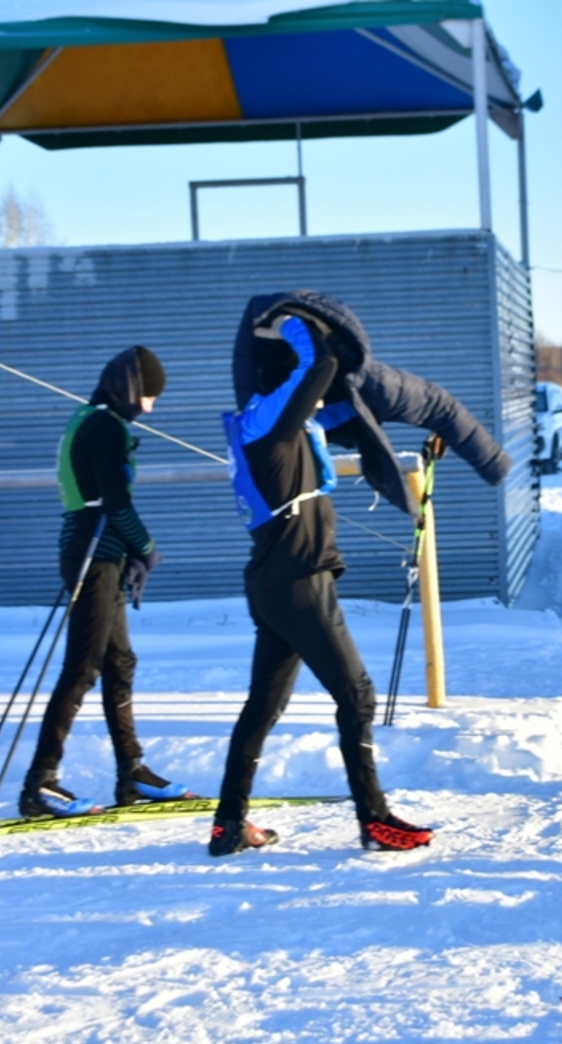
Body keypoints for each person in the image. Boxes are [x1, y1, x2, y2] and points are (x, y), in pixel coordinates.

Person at [211, 303, 433, 857]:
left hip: (278, 585)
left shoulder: (274, 428)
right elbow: (321, 365)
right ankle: (374, 819)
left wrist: (415, 426)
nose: (315, 400)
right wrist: (290, 325)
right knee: (357, 695)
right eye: (304, 392)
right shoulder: (267, 426)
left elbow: (341, 411)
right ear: (283, 384)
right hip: (298, 582)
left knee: (262, 707)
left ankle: (228, 823)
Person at [18, 346, 189, 818]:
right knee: (82, 668)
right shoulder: (104, 426)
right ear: (130, 387)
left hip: (102, 553)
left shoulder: (93, 419)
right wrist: (146, 549)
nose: (150, 408)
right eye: (149, 396)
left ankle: (131, 770)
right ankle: (39, 782)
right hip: (91, 554)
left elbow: (104, 499)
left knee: (119, 662)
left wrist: (129, 555)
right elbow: (114, 502)